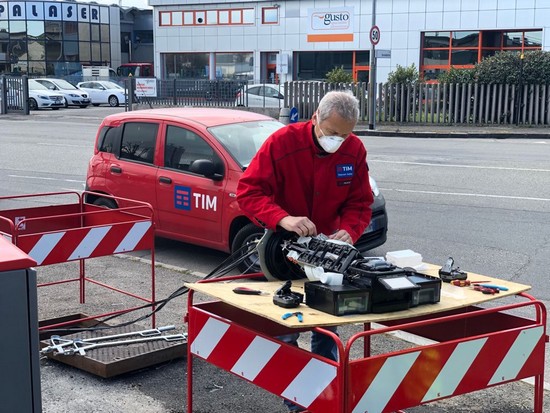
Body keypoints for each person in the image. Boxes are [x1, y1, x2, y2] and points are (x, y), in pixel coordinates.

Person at [236, 90, 374, 412]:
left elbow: (360, 202)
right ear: (315, 118)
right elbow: (249, 191)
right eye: (333, 132)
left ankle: (324, 397)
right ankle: (297, 402)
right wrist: (282, 218)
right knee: (287, 329)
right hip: (282, 255)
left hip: (327, 257)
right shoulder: (282, 144)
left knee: (328, 328)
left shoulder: (353, 150)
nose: (338, 140)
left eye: (346, 134)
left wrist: (349, 231)